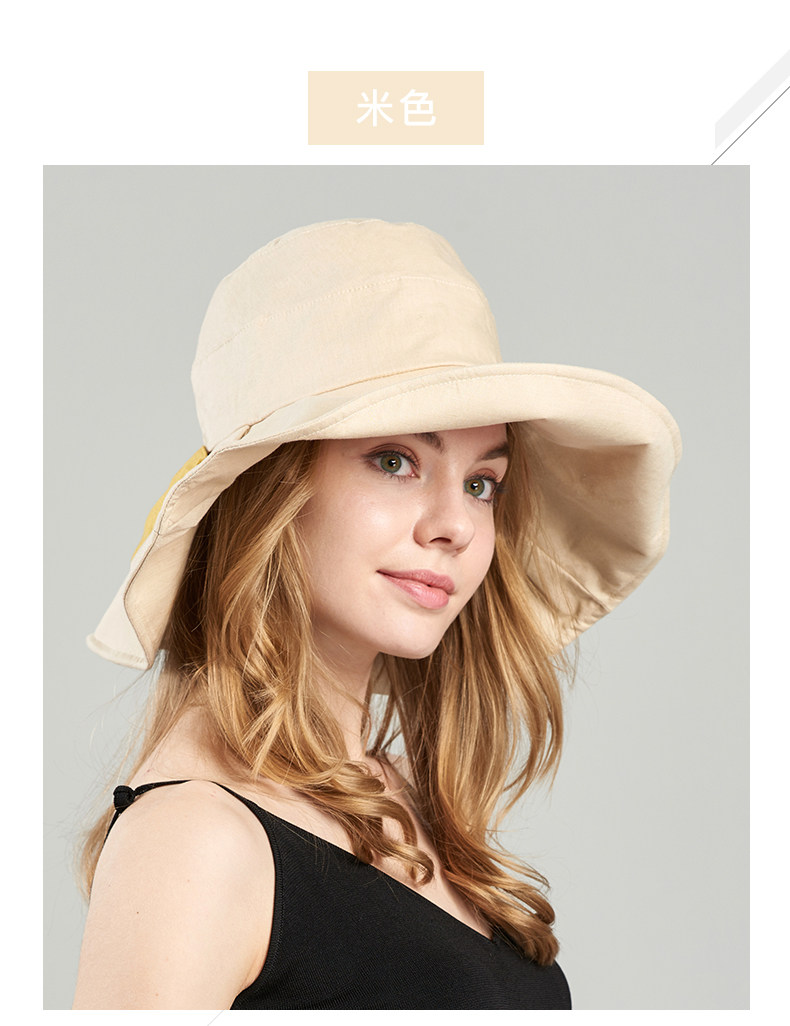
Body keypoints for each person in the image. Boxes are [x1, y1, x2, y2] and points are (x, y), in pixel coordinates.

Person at [72, 218, 681, 1010]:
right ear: (272, 491)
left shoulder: (395, 798)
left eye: (482, 483)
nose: (456, 525)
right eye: (396, 461)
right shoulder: (195, 839)